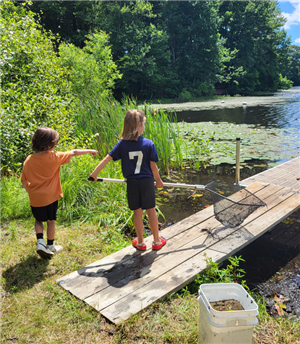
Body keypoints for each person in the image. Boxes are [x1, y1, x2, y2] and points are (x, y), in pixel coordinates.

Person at [89, 109, 166, 251]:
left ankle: (141, 242)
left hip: (132, 183)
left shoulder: (122, 144)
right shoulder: (149, 144)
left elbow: (107, 158)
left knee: (137, 212)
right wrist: (159, 181)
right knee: (151, 211)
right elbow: (153, 167)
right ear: (139, 126)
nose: (144, 127)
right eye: (143, 124)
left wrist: (94, 174)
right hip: (147, 182)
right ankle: (156, 241)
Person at [21, 127, 98, 258]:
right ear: (51, 145)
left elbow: (24, 180)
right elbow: (73, 152)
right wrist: (90, 150)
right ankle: (50, 245)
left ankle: (40, 242)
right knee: (51, 221)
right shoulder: (55, 157)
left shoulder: (29, 159)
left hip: (35, 197)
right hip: (51, 197)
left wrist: (31, 192)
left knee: (38, 220)